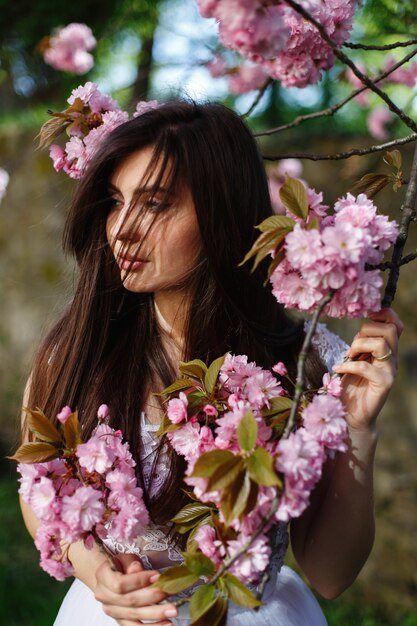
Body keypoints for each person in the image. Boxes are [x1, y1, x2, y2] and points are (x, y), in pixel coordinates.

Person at [19, 101, 402, 626]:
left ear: (221, 211)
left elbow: (331, 574)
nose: (122, 230)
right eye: (114, 201)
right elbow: (39, 493)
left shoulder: (305, 365)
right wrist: (97, 572)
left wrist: (358, 428)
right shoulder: (77, 352)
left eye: (154, 204)